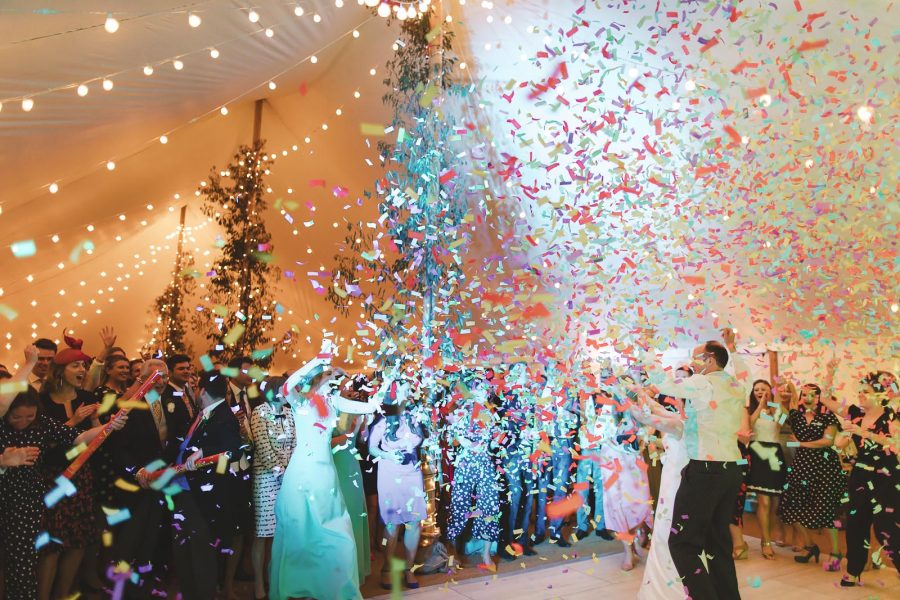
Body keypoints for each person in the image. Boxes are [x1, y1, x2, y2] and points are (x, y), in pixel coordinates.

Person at [269, 352, 377, 600]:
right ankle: (302, 588)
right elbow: (286, 386)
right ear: (318, 379)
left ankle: (334, 589)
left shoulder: (333, 403)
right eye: (330, 378)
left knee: (340, 535)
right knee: (301, 533)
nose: (335, 383)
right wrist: (316, 360)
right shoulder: (300, 402)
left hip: (326, 475)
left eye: (336, 381)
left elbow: (370, 406)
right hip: (302, 473)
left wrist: (391, 385)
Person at [0, 389, 127, 600]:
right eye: (16, 417)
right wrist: (4, 461)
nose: (23, 422)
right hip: (4, 495)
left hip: (26, 501)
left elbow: (79, 437)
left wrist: (109, 426)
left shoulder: (41, 424)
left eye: (29, 416)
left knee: (23, 562)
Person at [653, 330, 745, 600]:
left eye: (696, 358)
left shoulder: (704, 383)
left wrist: (647, 351)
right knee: (717, 543)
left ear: (710, 359)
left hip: (706, 470)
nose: (691, 363)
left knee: (682, 543)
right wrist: (732, 348)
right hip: (731, 469)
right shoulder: (738, 383)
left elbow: (664, 385)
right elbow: (741, 368)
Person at [37, 334, 105, 599]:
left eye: (84, 366)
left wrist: (98, 422)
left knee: (78, 542)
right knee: (52, 545)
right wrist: (74, 421)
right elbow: (43, 444)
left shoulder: (87, 397)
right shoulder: (42, 401)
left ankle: (62, 595)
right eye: (76, 365)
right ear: (60, 371)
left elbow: (97, 443)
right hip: (52, 477)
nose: (82, 370)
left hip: (81, 477)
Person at [169, 370, 246, 600]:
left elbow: (233, 449)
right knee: (185, 548)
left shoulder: (223, 415)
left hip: (202, 494)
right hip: (184, 486)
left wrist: (203, 452)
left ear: (202, 390)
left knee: (200, 550)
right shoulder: (206, 413)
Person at [819, 364, 898, 585]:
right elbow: (824, 399)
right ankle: (854, 570)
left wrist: (865, 433)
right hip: (861, 475)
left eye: (866, 391)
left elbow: (895, 443)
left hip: (886, 477)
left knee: (886, 528)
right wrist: (830, 373)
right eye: (860, 391)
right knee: (856, 524)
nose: (860, 395)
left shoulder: (892, 417)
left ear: (880, 395)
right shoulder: (854, 413)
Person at [109, 359, 170, 599]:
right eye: (156, 378)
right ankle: (120, 589)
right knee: (128, 539)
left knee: (151, 537)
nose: (161, 382)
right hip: (133, 484)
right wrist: (137, 471)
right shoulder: (130, 405)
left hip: (161, 482)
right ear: (142, 379)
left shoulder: (171, 402)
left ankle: (146, 584)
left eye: (165, 377)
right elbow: (118, 448)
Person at [628, 385, 688, 600]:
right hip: (670, 480)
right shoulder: (681, 420)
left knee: (668, 530)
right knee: (664, 528)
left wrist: (623, 398)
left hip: (676, 483)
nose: (675, 401)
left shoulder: (681, 424)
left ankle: (671, 587)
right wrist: (637, 391)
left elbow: (645, 417)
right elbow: (656, 408)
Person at [368, 370, 426, 589]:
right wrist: (388, 455)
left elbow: (422, 438)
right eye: (404, 390)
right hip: (390, 473)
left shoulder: (414, 416)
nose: (409, 393)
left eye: (409, 390)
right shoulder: (383, 420)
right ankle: (387, 568)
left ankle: (409, 569)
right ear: (394, 394)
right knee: (392, 524)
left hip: (413, 472)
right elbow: (372, 447)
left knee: (414, 522)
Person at [778, 383, 844, 568]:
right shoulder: (795, 415)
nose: (808, 398)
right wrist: (780, 393)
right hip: (801, 465)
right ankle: (810, 546)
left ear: (819, 398)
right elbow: (777, 416)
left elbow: (827, 441)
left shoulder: (827, 416)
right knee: (790, 506)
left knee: (825, 509)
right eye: (804, 394)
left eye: (813, 395)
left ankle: (836, 552)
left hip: (824, 466)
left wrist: (800, 444)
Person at [445, 375, 501, 571]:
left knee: (490, 505)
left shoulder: (489, 413)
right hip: (466, 463)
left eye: (485, 388)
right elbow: (456, 438)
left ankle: (486, 553)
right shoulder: (461, 411)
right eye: (479, 388)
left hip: (485, 463)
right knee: (459, 505)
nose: (484, 391)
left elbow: (493, 441)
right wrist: (466, 441)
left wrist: (495, 440)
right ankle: (452, 552)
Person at [249, 376, 295, 600]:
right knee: (262, 533)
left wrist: (291, 471)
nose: (289, 393)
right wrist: (281, 472)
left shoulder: (290, 412)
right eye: (285, 389)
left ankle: (276, 579)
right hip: (266, 479)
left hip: (288, 477)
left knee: (281, 533)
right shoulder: (259, 412)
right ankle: (258, 584)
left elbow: (295, 443)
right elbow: (263, 446)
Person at [600, 402, 653, 571]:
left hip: (634, 459)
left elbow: (649, 428)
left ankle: (637, 540)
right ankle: (628, 551)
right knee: (617, 505)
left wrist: (642, 439)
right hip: (612, 459)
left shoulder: (638, 405)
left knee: (639, 503)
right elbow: (598, 433)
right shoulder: (607, 407)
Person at [497, 362, 540, 557]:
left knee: (528, 497)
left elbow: (537, 422)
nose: (525, 374)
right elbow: (501, 428)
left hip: (529, 455)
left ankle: (522, 542)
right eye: (519, 371)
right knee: (514, 498)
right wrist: (520, 435)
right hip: (512, 455)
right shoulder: (505, 397)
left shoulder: (531, 398)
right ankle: (506, 544)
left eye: (525, 370)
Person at [745, 379, 788, 559]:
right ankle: (766, 542)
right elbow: (748, 425)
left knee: (775, 502)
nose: (760, 392)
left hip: (775, 454)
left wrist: (778, 402)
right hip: (758, 452)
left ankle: (772, 534)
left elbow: (782, 423)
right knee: (763, 501)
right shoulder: (749, 410)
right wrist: (760, 405)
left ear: (770, 391)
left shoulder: (776, 409)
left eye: (763, 389)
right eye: (757, 389)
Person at [574, 390, 615, 541]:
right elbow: (578, 420)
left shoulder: (610, 402)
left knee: (601, 490)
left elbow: (613, 428)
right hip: (586, 449)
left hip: (602, 449)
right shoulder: (583, 398)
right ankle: (582, 526)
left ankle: (601, 526)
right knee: (582, 489)